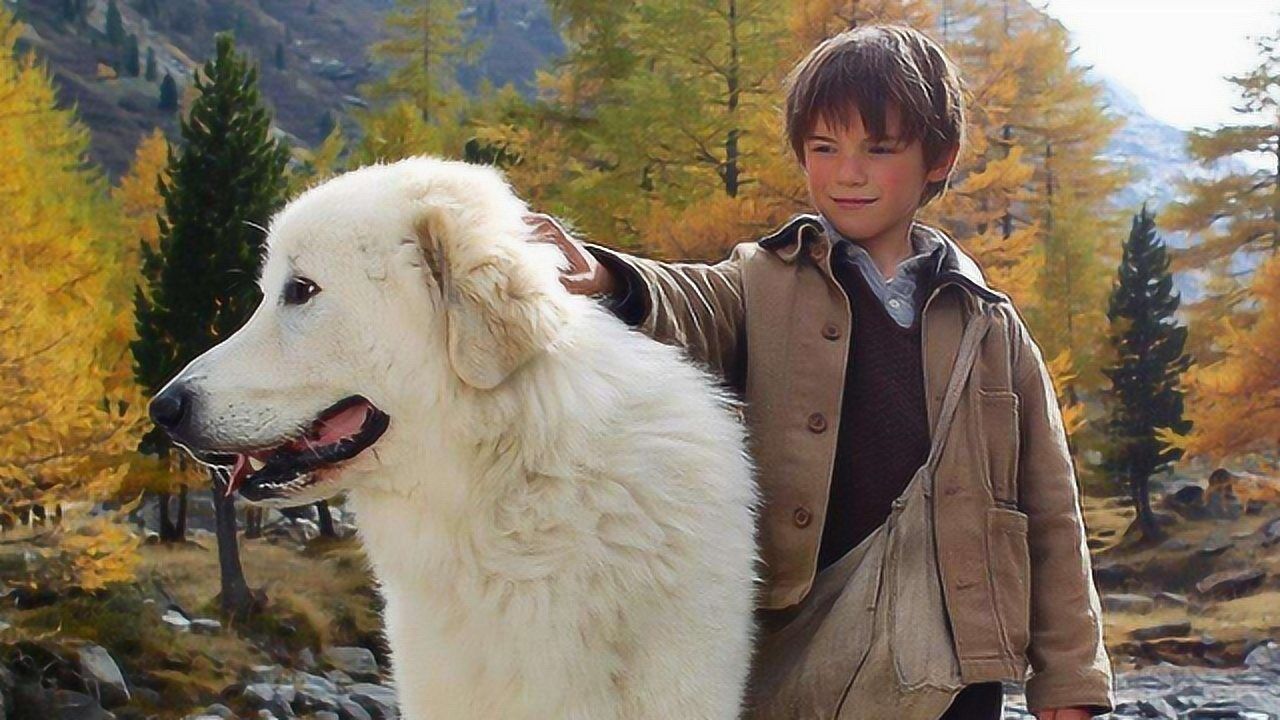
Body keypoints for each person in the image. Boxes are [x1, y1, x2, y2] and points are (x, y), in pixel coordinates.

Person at [531, 24, 1113, 720]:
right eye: (824, 148)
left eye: (879, 148)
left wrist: (1070, 685)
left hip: (954, 668)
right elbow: (690, 300)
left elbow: (1052, 514)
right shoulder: (764, 280)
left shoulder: (992, 327)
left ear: (940, 157)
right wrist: (605, 276)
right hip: (802, 649)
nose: (848, 172)